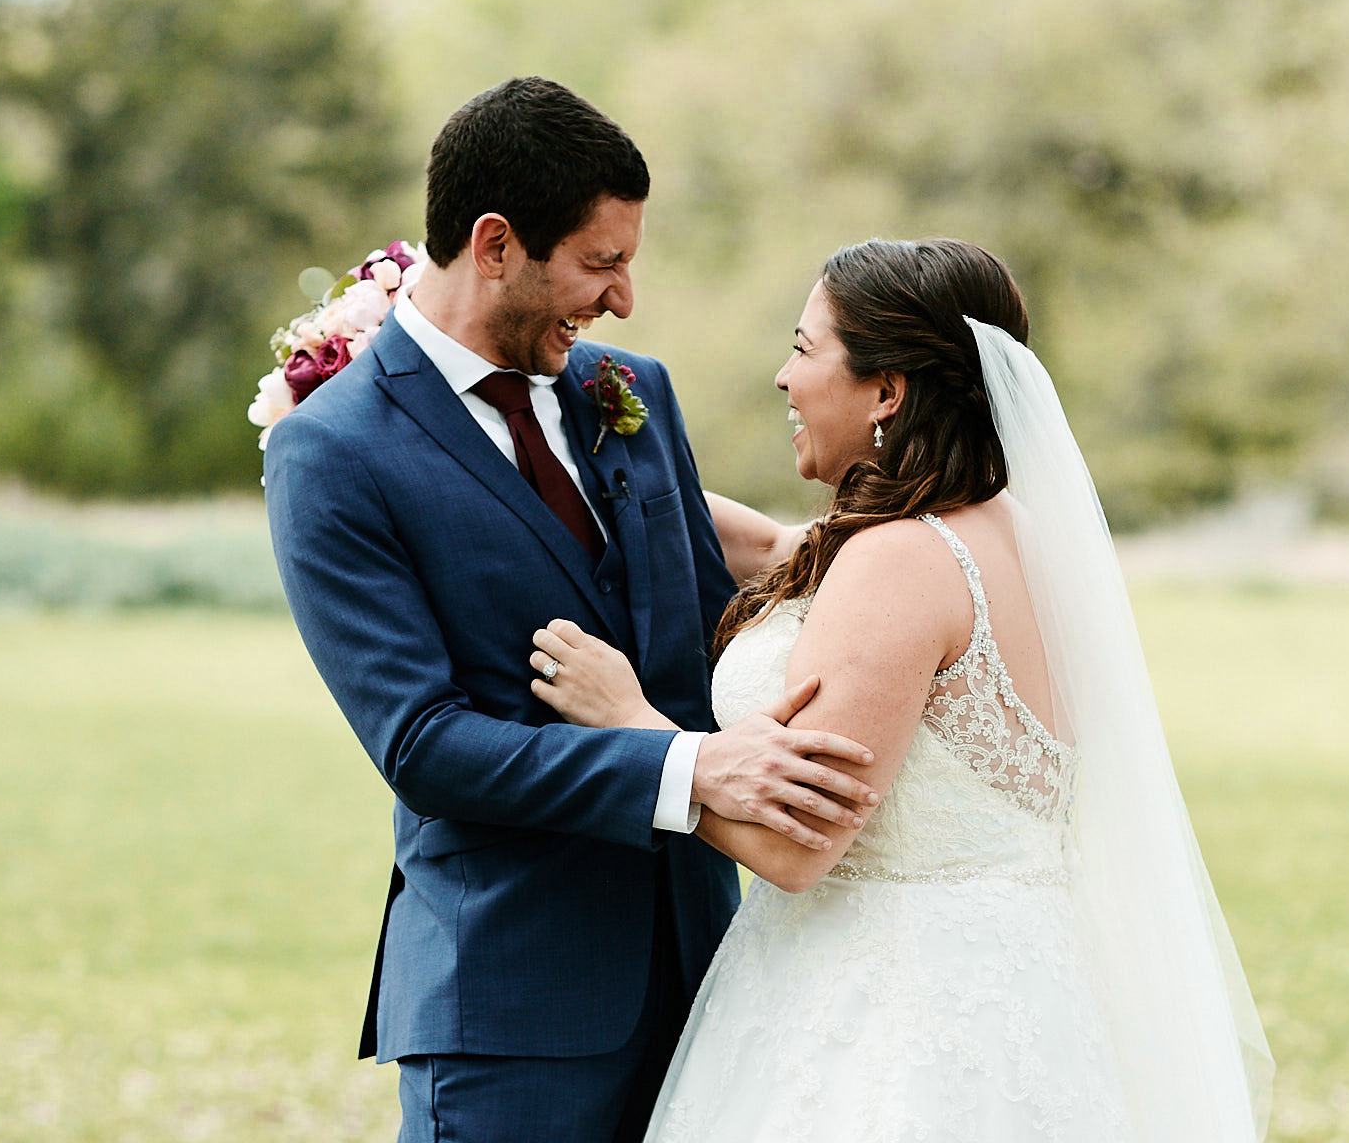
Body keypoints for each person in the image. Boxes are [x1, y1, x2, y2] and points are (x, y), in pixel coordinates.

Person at [533, 238, 1275, 1141]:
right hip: (1020, 993)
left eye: (805, 351)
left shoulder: (897, 560)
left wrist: (632, 722)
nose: (782, 376)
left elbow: (796, 849)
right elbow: (778, 551)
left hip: (886, 1010)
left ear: (887, 391)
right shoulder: (1006, 529)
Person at [263, 76, 881, 1143]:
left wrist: (902, 580)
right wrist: (687, 766)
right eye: (602, 264)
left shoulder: (628, 391)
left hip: (712, 975)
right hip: (510, 1003)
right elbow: (422, 742)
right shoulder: (334, 452)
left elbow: (705, 604)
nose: (625, 298)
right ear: (495, 244)